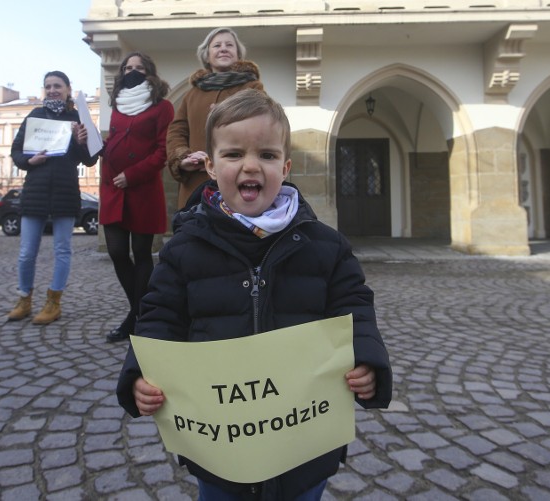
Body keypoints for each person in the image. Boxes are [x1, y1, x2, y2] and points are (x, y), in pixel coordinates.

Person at [117, 89, 392, 500]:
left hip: (304, 441)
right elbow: (158, 317)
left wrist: (367, 361)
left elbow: (354, 308)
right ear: (210, 166)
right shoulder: (183, 249)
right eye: (233, 155)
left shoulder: (326, 245)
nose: (250, 165)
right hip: (219, 443)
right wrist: (140, 373)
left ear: (285, 166)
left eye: (266, 155)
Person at [7, 70, 98, 325]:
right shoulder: (35, 116)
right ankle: (24, 298)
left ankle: (53, 302)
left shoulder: (77, 118)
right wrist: (29, 160)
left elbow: (90, 159)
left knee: (62, 250)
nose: (52, 90)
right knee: (26, 252)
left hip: (65, 191)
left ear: (68, 89)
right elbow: (16, 152)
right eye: (48, 86)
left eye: (57, 85)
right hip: (35, 191)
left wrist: (82, 141)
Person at [101, 53, 174, 343]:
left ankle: (135, 318)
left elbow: (162, 151)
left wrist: (132, 174)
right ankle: (141, 311)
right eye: (128, 68)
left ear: (150, 73)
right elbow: (114, 141)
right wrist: (94, 143)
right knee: (117, 252)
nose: (133, 72)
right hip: (113, 189)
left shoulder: (162, 107)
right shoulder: (117, 105)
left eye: (139, 68)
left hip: (141, 188)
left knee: (142, 254)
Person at [166, 27, 264, 209]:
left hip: (238, 181)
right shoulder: (192, 94)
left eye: (229, 45)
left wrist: (229, 113)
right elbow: (176, 130)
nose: (223, 48)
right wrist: (182, 158)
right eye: (217, 45)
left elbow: (263, 126)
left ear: (238, 53)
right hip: (196, 186)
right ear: (207, 55)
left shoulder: (253, 88)